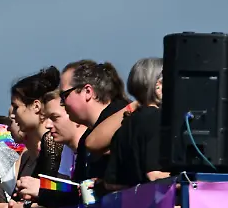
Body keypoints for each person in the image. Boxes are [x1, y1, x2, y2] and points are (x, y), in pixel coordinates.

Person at [103, 57, 168, 188]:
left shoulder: (124, 126)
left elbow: (111, 183)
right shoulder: (157, 120)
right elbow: (154, 175)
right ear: (158, 86)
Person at [60, 60, 128, 183]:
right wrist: (44, 191)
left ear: (87, 92)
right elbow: (77, 189)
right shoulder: (85, 139)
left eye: (64, 96)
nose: (62, 103)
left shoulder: (125, 121)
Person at [10, 66, 64, 179]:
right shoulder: (30, 153)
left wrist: (39, 188)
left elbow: (52, 187)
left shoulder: (52, 142)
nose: (12, 115)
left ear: (36, 106)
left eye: (16, 107)